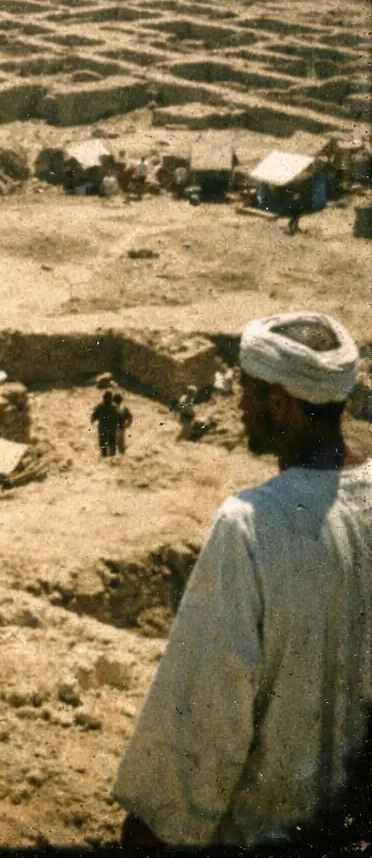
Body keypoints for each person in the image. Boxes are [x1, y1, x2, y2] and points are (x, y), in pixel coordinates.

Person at [113, 311, 371, 847]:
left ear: (280, 404)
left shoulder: (251, 525)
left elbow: (202, 720)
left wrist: (152, 829)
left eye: (248, 393)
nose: (239, 406)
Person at [90, 388, 120, 458]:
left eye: (107, 398)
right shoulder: (101, 407)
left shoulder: (113, 408)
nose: (106, 400)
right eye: (105, 398)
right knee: (104, 447)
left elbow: (119, 419)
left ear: (110, 399)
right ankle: (106, 461)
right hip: (105, 430)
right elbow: (94, 415)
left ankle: (111, 461)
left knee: (110, 447)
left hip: (110, 430)